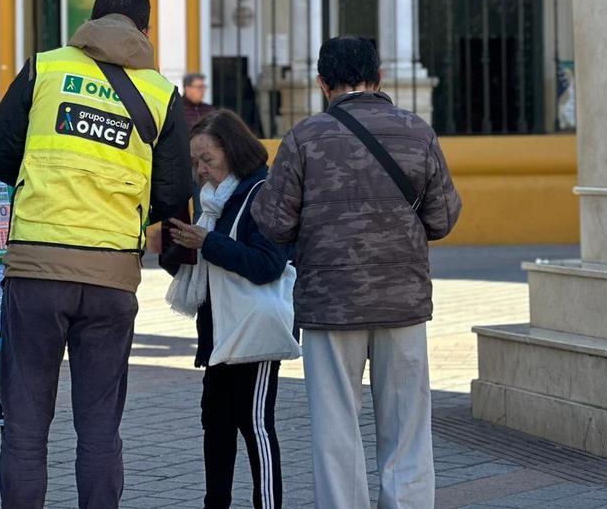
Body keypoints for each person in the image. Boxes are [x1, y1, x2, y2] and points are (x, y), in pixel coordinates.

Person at [0, 0, 191, 509]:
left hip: (35, 271)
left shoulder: (44, 68)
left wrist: (35, 182)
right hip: (111, 281)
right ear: (144, 31)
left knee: (26, 429)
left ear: (92, 22)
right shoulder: (162, 95)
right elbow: (172, 194)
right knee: (100, 430)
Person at [252, 36, 462, 509]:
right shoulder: (417, 132)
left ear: (322, 82)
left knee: (336, 427)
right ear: (380, 77)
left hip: (330, 303)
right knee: (407, 425)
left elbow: (274, 223)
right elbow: (443, 218)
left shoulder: (304, 138)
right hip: (402, 303)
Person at [160, 109, 289, 509]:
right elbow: (201, 262)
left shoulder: (262, 192)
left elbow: (268, 264)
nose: (200, 170)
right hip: (218, 331)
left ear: (232, 151)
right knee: (215, 424)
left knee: (255, 426)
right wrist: (174, 247)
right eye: (195, 161)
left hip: (254, 332)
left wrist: (207, 243)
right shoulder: (212, 201)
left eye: (208, 160)